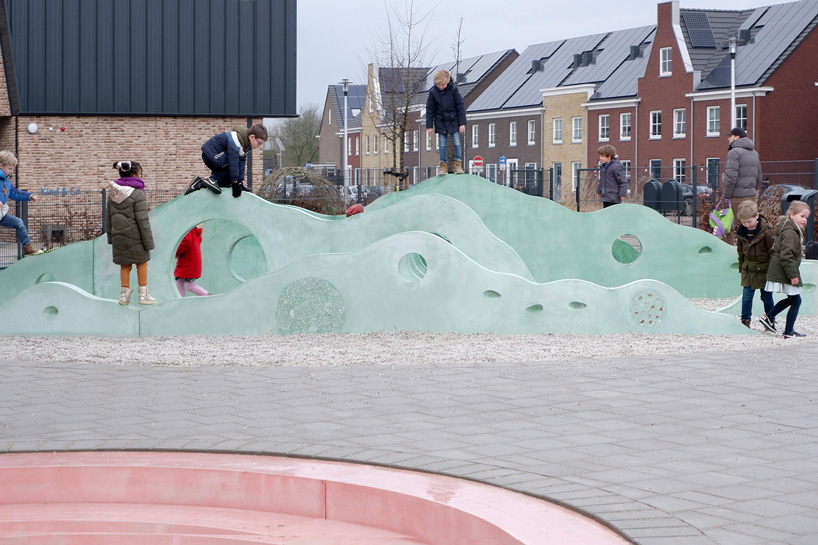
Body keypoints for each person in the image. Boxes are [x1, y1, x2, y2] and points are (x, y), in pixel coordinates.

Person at [106, 161, 156, 306]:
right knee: (142, 264)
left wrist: (111, 238)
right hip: (136, 236)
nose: (141, 177)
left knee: (125, 266)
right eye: (140, 173)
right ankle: (143, 295)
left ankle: (124, 296)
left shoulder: (112, 193)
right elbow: (143, 220)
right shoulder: (138, 193)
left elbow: (109, 218)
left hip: (118, 237)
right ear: (134, 175)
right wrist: (149, 242)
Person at [760, 200, 811, 338]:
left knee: (793, 300)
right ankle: (787, 331)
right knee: (796, 301)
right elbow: (786, 256)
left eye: (806, 217)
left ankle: (768, 318)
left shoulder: (791, 229)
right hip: (784, 270)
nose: (805, 220)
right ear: (792, 215)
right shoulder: (790, 232)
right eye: (802, 216)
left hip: (782, 268)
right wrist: (793, 275)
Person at [185, 123, 268, 197]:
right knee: (232, 167)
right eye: (259, 143)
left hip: (219, 157)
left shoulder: (246, 146)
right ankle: (212, 180)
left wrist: (240, 183)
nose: (259, 146)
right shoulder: (236, 140)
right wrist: (235, 182)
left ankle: (197, 185)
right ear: (252, 137)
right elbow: (233, 162)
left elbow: (242, 164)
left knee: (226, 182)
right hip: (211, 154)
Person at [735, 200, 774, 328]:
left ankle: (769, 320)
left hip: (765, 268)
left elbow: (772, 251)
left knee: (766, 297)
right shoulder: (741, 233)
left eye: (749, 222)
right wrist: (742, 267)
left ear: (757, 216)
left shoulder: (767, 231)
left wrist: (773, 270)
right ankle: (745, 321)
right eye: (743, 222)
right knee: (746, 296)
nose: (747, 225)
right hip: (749, 268)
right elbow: (740, 252)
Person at [723, 127, 762, 244]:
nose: (728, 139)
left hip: (735, 196)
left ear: (736, 137)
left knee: (728, 225)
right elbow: (759, 177)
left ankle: (729, 252)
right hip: (751, 196)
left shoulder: (734, 152)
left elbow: (730, 178)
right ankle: (751, 249)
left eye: (730, 136)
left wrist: (726, 196)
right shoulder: (754, 153)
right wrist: (752, 190)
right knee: (750, 224)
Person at [0, 151, 43, 256]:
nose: (10, 171)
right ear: (1, 165)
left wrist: (29, 196)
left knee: (19, 223)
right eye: (9, 168)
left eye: (12, 169)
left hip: (1, 213)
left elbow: (14, 193)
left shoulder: (6, 181)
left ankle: (27, 248)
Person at [426, 69, 466, 175]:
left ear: (448, 80)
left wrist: (462, 124)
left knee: (456, 141)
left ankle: (457, 164)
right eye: (438, 84)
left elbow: (460, 106)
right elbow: (430, 109)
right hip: (441, 121)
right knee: (442, 143)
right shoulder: (433, 92)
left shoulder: (454, 90)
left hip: (454, 120)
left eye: (442, 84)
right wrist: (429, 126)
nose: (441, 86)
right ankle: (443, 165)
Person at [175, 224, 210, 297]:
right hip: (192, 259)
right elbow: (199, 239)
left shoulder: (188, 226)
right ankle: (181, 301)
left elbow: (187, 240)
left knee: (189, 285)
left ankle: (209, 297)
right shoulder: (195, 228)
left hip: (187, 260)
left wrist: (177, 252)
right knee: (179, 281)